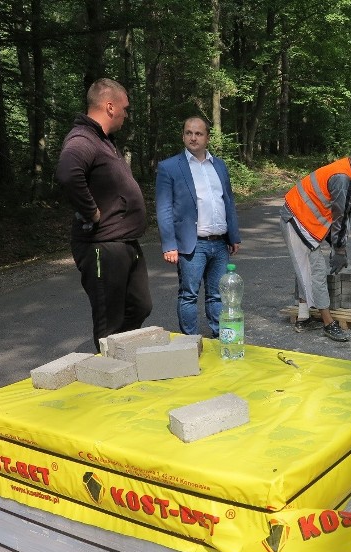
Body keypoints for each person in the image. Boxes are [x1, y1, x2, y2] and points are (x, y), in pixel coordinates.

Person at [56, 78, 152, 351]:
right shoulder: (82, 139)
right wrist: (91, 211)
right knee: (109, 319)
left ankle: (119, 356)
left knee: (141, 306)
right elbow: (67, 173)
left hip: (125, 243)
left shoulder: (104, 140)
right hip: (101, 246)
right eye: (125, 108)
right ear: (110, 107)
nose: (126, 114)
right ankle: (108, 375)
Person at [280, 142, 351, 342]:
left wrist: (338, 247)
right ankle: (328, 323)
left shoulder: (350, 175)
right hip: (296, 218)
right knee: (315, 270)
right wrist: (339, 250)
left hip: (309, 220)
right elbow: (340, 216)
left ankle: (303, 317)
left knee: (307, 268)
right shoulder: (342, 178)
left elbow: (343, 217)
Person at [155, 117, 241, 338]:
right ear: (183, 135)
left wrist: (234, 235)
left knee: (217, 295)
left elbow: (228, 201)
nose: (193, 137)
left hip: (220, 244)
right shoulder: (169, 167)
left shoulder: (219, 165)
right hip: (192, 245)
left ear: (207, 138)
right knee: (189, 295)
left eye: (198, 133)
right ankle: (191, 342)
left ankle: (219, 337)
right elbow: (164, 208)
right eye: (188, 133)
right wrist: (169, 245)